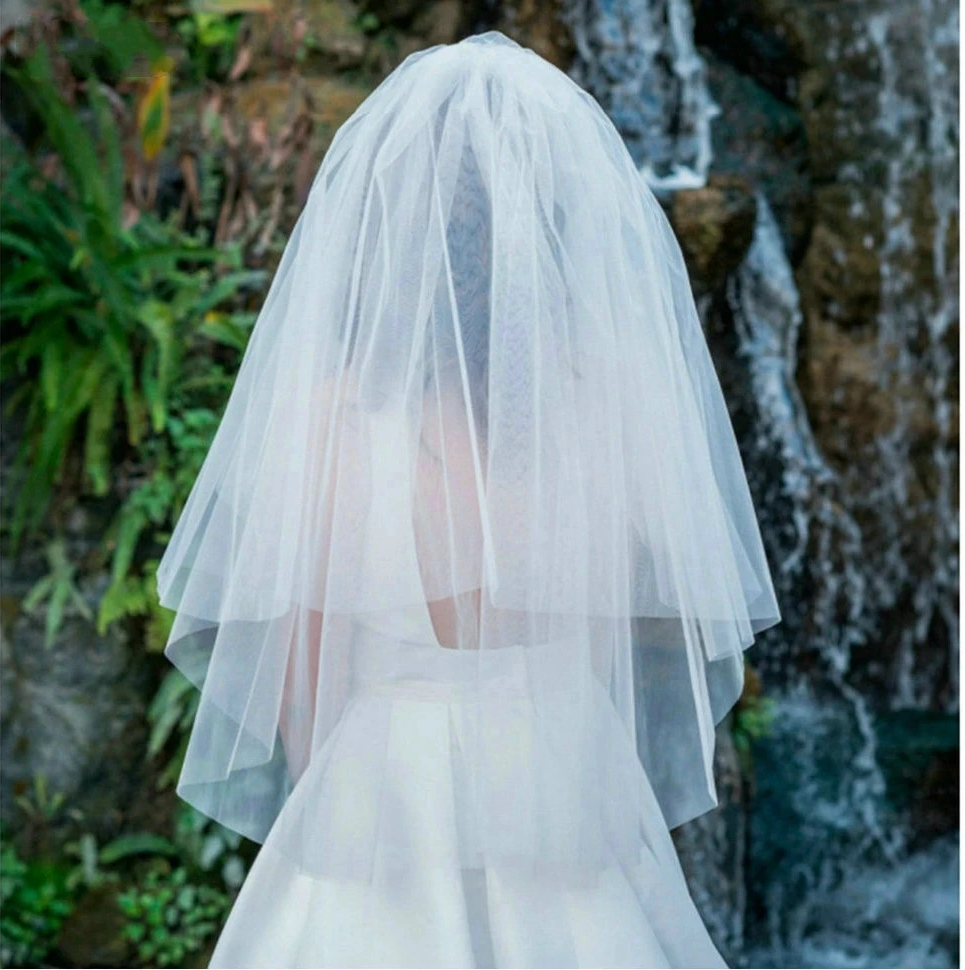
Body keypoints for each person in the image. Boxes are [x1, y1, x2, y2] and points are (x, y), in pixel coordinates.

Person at [157, 30, 781, 969]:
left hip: (383, 789)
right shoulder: (604, 396)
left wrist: (355, 787)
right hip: (566, 776)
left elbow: (299, 663)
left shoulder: (335, 410)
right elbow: (626, 611)